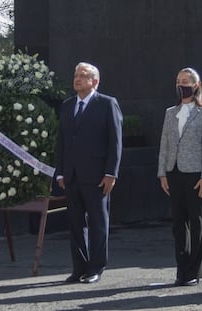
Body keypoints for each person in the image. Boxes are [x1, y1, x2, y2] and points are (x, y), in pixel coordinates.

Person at [55, 62, 123, 283]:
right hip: (72, 176)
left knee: (97, 222)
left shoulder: (107, 104)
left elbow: (115, 142)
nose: (77, 79)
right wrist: (60, 173)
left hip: (97, 176)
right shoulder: (67, 106)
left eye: (83, 76)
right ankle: (79, 268)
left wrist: (111, 173)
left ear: (95, 81)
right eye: (76, 75)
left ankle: (96, 267)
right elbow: (62, 142)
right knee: (75, 223)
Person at [157, 67, 202, 286]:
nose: (182, 85)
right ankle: (181, 269)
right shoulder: (170, 113)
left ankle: (194, 269)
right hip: (174, 172)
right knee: (178, 223)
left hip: (195, 174)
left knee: (196, 221)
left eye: (186, 81)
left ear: (196, 85)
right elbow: (164, 144)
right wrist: (162, 172)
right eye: (179, 81)